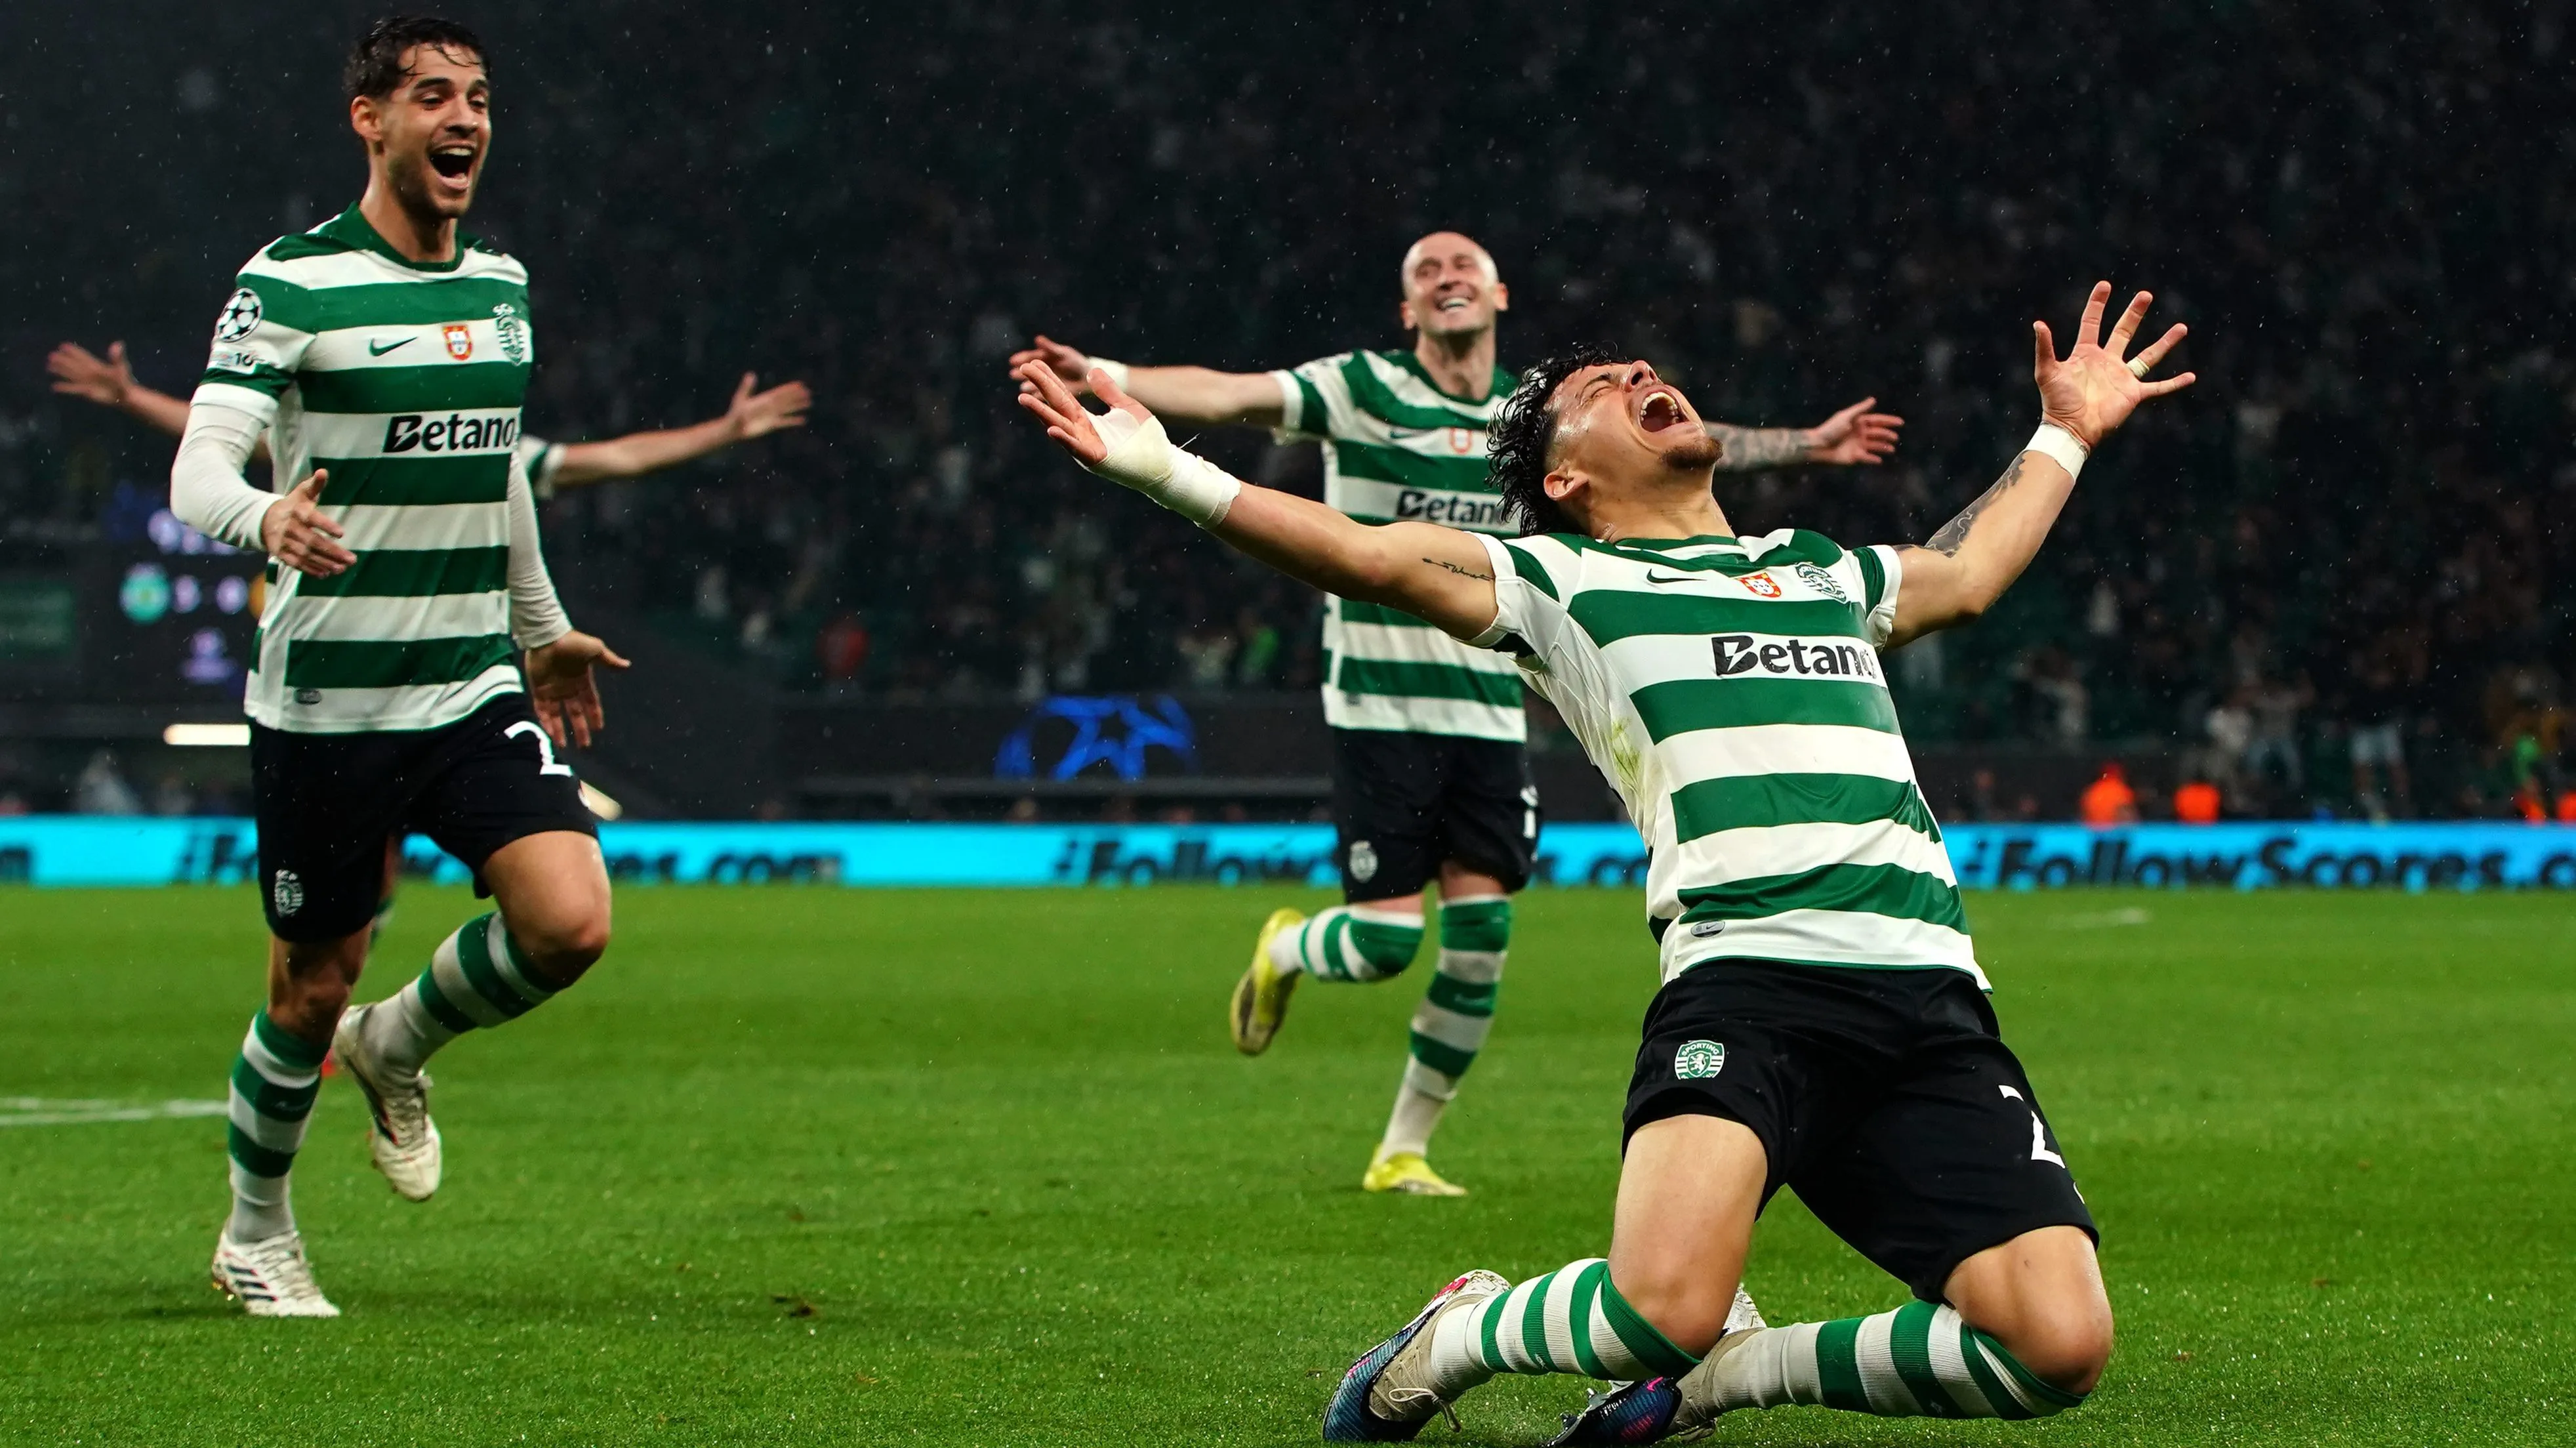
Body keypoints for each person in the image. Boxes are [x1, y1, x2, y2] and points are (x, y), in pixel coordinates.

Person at [1012, 278, 2192, 1441]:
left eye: (1642, 370)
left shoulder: (1825, 567)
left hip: (1929, 1001)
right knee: (1655, 1310)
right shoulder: (1562, 584)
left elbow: (1971, 571)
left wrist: (2065, 430)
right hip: (1750, 985)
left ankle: (1733, 1379)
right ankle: (1460, 1329)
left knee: (2055, 1345)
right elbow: (1366, 555)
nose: (1641, 377)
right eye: (1601, 387)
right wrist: (1167, 470)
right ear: (1565, 480)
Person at [1012, 234, 1903, 1196]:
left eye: (1462, 266)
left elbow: (1670, 444)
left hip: (1489, 704)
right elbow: (1229, 394)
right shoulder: (1359, 389)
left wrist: (1805, 445)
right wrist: (1103, 372)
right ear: (1406, 310)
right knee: (1387, 941)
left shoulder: (1535, 422)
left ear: (1497, 293)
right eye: (1423, 272)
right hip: (1381, 705)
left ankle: (1403, 1148)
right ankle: (1285, 945)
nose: (1445, 278)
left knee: (1480, 938)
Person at [172, 16, 628, 1318]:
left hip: (464, 682)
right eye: (434, 96)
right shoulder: (293, 281)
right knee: (308, 983)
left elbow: (500, 470)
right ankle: (256, 1230)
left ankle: (402, 1037)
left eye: (479, 97)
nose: (465, 119)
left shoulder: (501, 284)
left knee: (570, 917)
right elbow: (199, 464)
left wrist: (539, 629)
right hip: (327, 702)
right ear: (368, 118)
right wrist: (264, 517)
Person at [50, 342, 809, 497]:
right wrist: (132, 398)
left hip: (457, 677)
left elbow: (612, 459)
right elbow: (224, 436)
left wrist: (722, 431)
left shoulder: (478, 441)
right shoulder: (332, 437)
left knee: (564, 913)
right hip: (335, 659)